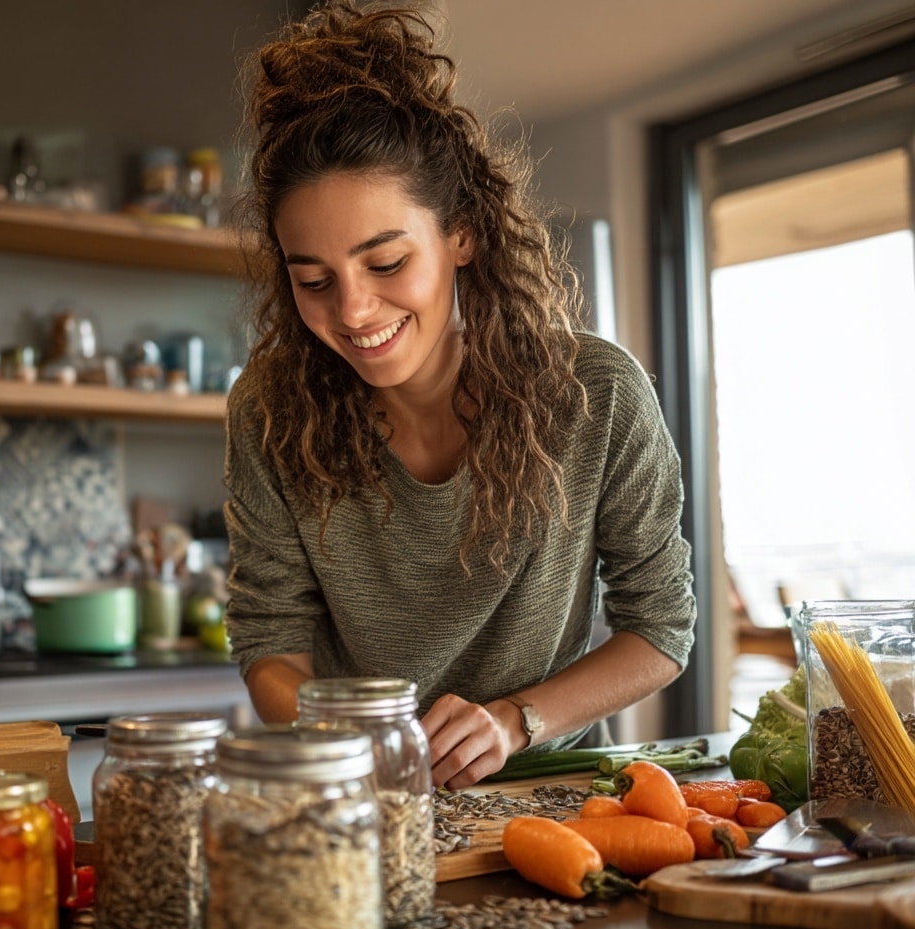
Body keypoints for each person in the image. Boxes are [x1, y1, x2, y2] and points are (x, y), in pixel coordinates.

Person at [222, 0, 696, 790]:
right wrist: (355, 741)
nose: (353, 311)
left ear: (461, 237)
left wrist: (516, 721)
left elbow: (662, 628)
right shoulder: (270, 412)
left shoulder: (597, 395)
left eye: (385, 263)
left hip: (548, 795)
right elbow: (269, 639)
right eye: (313, 280)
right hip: (361, 794)